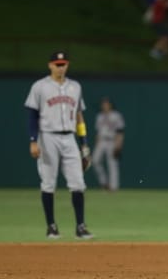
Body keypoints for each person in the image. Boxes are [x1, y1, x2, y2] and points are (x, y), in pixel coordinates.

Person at [24, 51, 94, 240]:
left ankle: (80, 227)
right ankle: (51, 227)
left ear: (67, 65)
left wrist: (84, 144)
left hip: (69, 137)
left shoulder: (75, 87)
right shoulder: (40, 87)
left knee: (78, 183)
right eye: (57, 64)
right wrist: (33, 140)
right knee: (48, 182)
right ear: (50, 65)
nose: (60, 67)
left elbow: (79, 116)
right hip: (47, 137)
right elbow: (32, 115)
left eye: (63, 64)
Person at [92, 97, 125, 191]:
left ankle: (114, 187)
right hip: (101, 141)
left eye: (106, 104)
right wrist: (96, 145)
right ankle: (104, 182)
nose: (104, 106)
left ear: (110, 105)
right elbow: (98, 132)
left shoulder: (116, 115)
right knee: (95, 161)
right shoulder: (100, 116)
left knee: (112, 164)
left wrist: (119, 144)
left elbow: (120, 131)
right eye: (103, 104)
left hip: (112, 141)